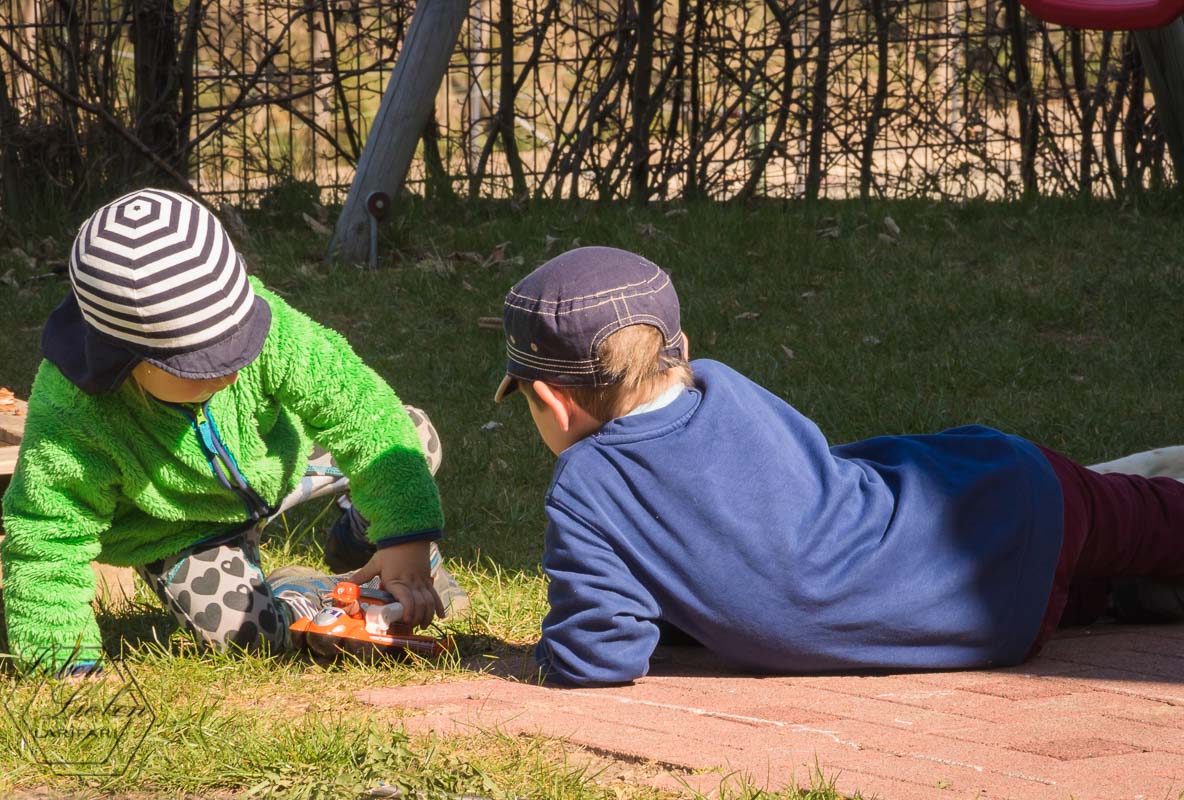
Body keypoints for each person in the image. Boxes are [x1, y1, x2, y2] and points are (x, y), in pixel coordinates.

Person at [492, 246, 1184, 687]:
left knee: (1095, 555)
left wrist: (542, 659)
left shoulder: (587, 487)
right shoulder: (721, 388)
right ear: (682, 349)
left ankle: (1126, 589)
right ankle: (1131, 580)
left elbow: (601, 653)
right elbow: (795, 499)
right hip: (1007, 509)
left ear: (551, 399)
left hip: (989, 622)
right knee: (1140, 522)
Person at [1, 188, 466, 675]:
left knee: (409, 438)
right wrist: (65, 663)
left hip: (277, 467)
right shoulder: (75, 416)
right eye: (205, 365)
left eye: (240, 343)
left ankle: (363, 535)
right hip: (181, 528)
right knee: (246, 636)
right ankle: (304, 595)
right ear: (126, 360)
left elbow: (361, 408)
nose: (233, 369)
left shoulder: (260, 320)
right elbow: (46, 537)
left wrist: (406, 540)